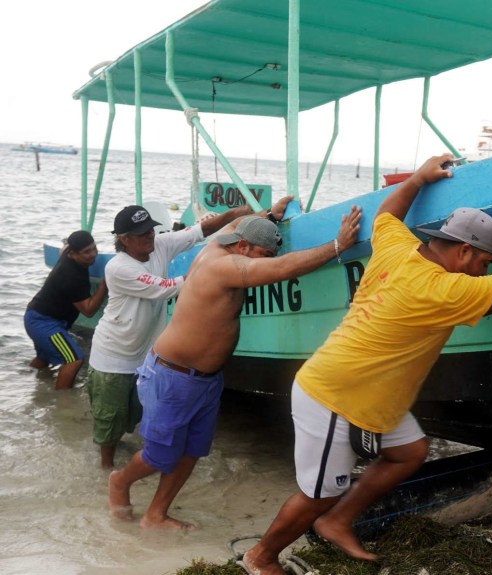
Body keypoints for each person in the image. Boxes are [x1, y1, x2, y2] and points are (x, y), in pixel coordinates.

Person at [242, 153, 492, 574]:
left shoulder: (398, 248)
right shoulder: (442, 289)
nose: (483, 272)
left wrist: (418, 178)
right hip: (335, 396)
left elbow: (387, 214)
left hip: (365, 389)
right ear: (462, 251)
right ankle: (261, 557)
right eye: (483, 262)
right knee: (320, 493)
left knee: (410, 452)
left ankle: (338, 522)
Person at [107, 202, 363, 530]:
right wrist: (339, 245)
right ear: (242, 246)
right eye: (261, 254)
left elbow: (239, 223)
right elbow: (284, 268)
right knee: (160, 456)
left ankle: (156, 514)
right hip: (173, 375)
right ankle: (119, 481)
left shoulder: (227, 240)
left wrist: (269, 215)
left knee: (191, 451)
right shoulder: (223, 266)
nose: (264, 262)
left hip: (206, 378)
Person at [87, 200, 283, 469]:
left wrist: (249, 216)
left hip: (145, 356)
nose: (150, 236)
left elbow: (200, 230)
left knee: (135, 418)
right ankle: (105, 471)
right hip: (113, 357)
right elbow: (168, 287)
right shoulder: (118, 268)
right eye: (141, 233)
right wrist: (212, 266)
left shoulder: (159, 245)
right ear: (123, 240)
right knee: (109, 422)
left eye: (151, 229)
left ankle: (134, 464)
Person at [24, 230, 108, 390]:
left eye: (94, 248)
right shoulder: (70, 276)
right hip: (44, 323)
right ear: (73, 254)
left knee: (43, 359)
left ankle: (25, 383)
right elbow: (88, 310)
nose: (93, 255)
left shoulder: (67, 254)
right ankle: (62, 404)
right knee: (74, 359)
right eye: (86, 252)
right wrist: (103, 286)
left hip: (35, 316)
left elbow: (63, 248)